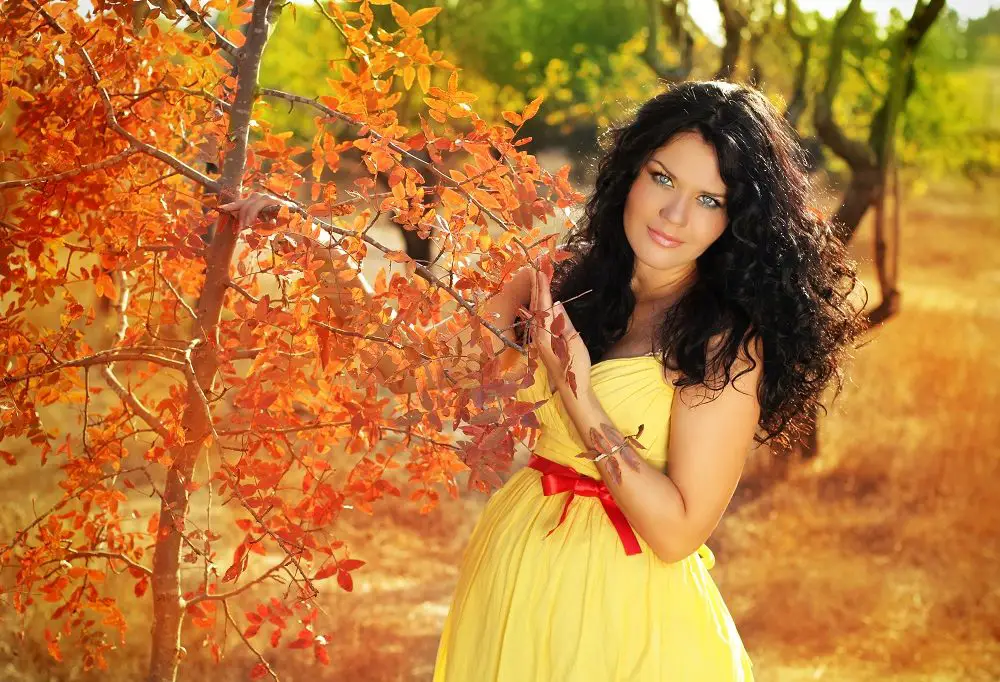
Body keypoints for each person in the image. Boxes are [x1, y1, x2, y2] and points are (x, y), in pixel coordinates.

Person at [223, 80, 865, 681]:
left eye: (708, 199)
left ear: (736, 218)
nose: (674, 214)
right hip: (514, 571)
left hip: (629, 614)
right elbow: (421, 372)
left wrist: (577, 392)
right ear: (630, 171)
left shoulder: (723, 340)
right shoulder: (554, 276)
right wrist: (322, 253)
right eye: (662, 178)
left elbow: (677, 532)